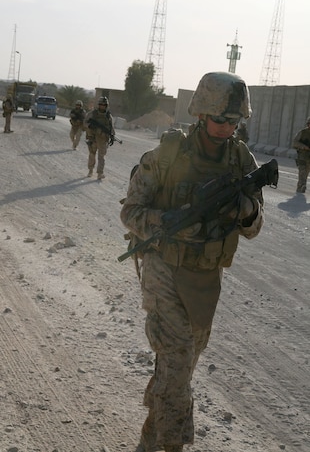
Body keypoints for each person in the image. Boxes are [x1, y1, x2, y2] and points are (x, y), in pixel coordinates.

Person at [120, 71, 264, 452]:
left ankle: (159, 420)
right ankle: (166, 444)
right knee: (179, 361)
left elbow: (253, 228)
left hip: (205, 278)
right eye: (219, 119)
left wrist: (246, 210)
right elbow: (130, 212)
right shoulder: (168, 154)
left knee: (179, 365)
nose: (225, 127)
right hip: (163, 268)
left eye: (233, 121)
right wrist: (166, 223)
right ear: (201, 114)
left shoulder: (240, 159)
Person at [84, 96, 115, 180]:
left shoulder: (109, 117)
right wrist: (90, 126)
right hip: (93, 137)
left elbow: (111, 128)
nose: (102, 106)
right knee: (92, 155)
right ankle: (90, 170)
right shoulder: (92, 114)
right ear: (98, 105)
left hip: (103, 139)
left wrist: (112, 136)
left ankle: (100, 173)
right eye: (101, 104)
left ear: (106, 106)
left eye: (104, 105)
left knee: (101, 157)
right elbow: (85, 123)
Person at [292, 116, 310, 193]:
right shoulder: (302, 133)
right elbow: (295, 143)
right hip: (302, 156)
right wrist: (303, 147)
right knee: (302, 172)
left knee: (305, 172)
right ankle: (301, 186)